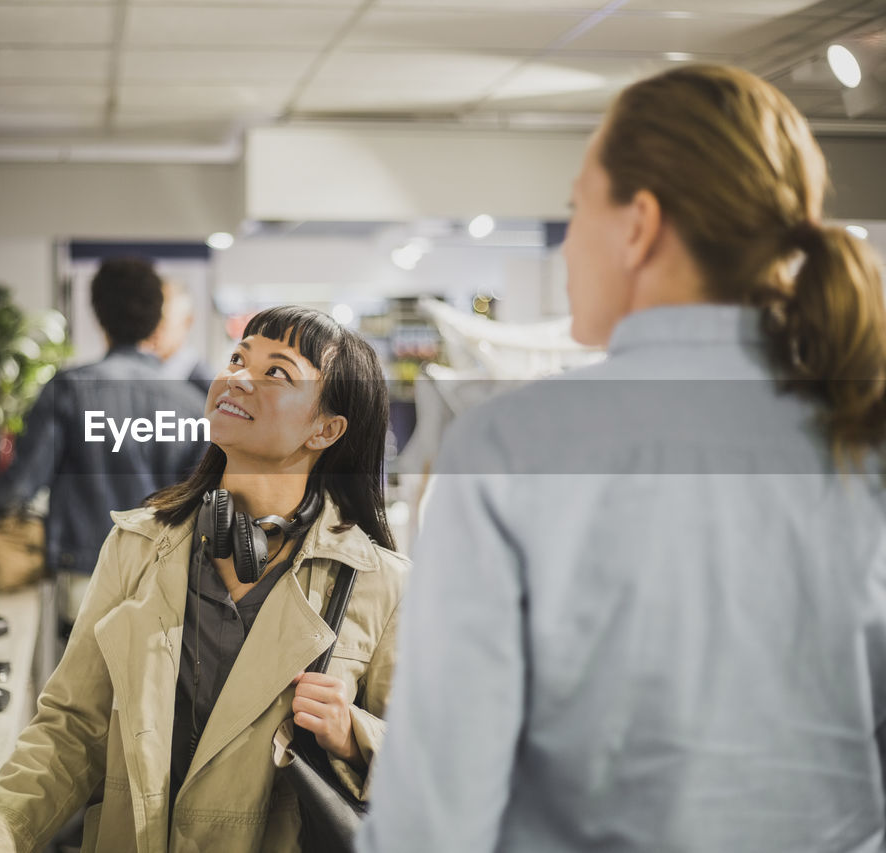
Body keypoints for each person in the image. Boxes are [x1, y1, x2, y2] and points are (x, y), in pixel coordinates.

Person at [360, 64, 886, 852]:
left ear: (639, 224)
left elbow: (434, 822)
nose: (569, 241)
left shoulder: (512, 450)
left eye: (576, 207)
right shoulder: (859, 433)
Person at [0, 305, 408, 853]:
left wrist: (353, 735)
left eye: (276, 372)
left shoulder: (379, 582)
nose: (238, 376)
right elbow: (71, 730)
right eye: (238, 357)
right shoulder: (139, 544)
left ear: (326, 428)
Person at [0, 257, 207, 625]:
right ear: (156, 318)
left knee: (86, 678)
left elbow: (22, 484)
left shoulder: (70, 389)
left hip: (87, 567)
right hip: (166, 573)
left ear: (99, 315)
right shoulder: (194, 404)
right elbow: (201, 498)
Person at [150, 278, 215, 394]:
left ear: (187, 321)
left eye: (162, 321)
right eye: (150, 320)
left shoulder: (206, 385)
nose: (154, 330)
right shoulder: (145, 372)